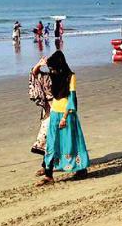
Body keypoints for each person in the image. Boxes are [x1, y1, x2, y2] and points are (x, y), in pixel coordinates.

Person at [32, 51, 89, 186]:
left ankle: (81, 169)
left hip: (67, 115)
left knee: (70, 143)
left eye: (53, 68)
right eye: (50, 68)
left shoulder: (71, 77)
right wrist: (39, 65)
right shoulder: (53, 76)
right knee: (52, 144)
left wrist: (64, 117)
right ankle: (48, 175)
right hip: (54, 113)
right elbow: (35, 75)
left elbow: (72, 98)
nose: (52, 70)